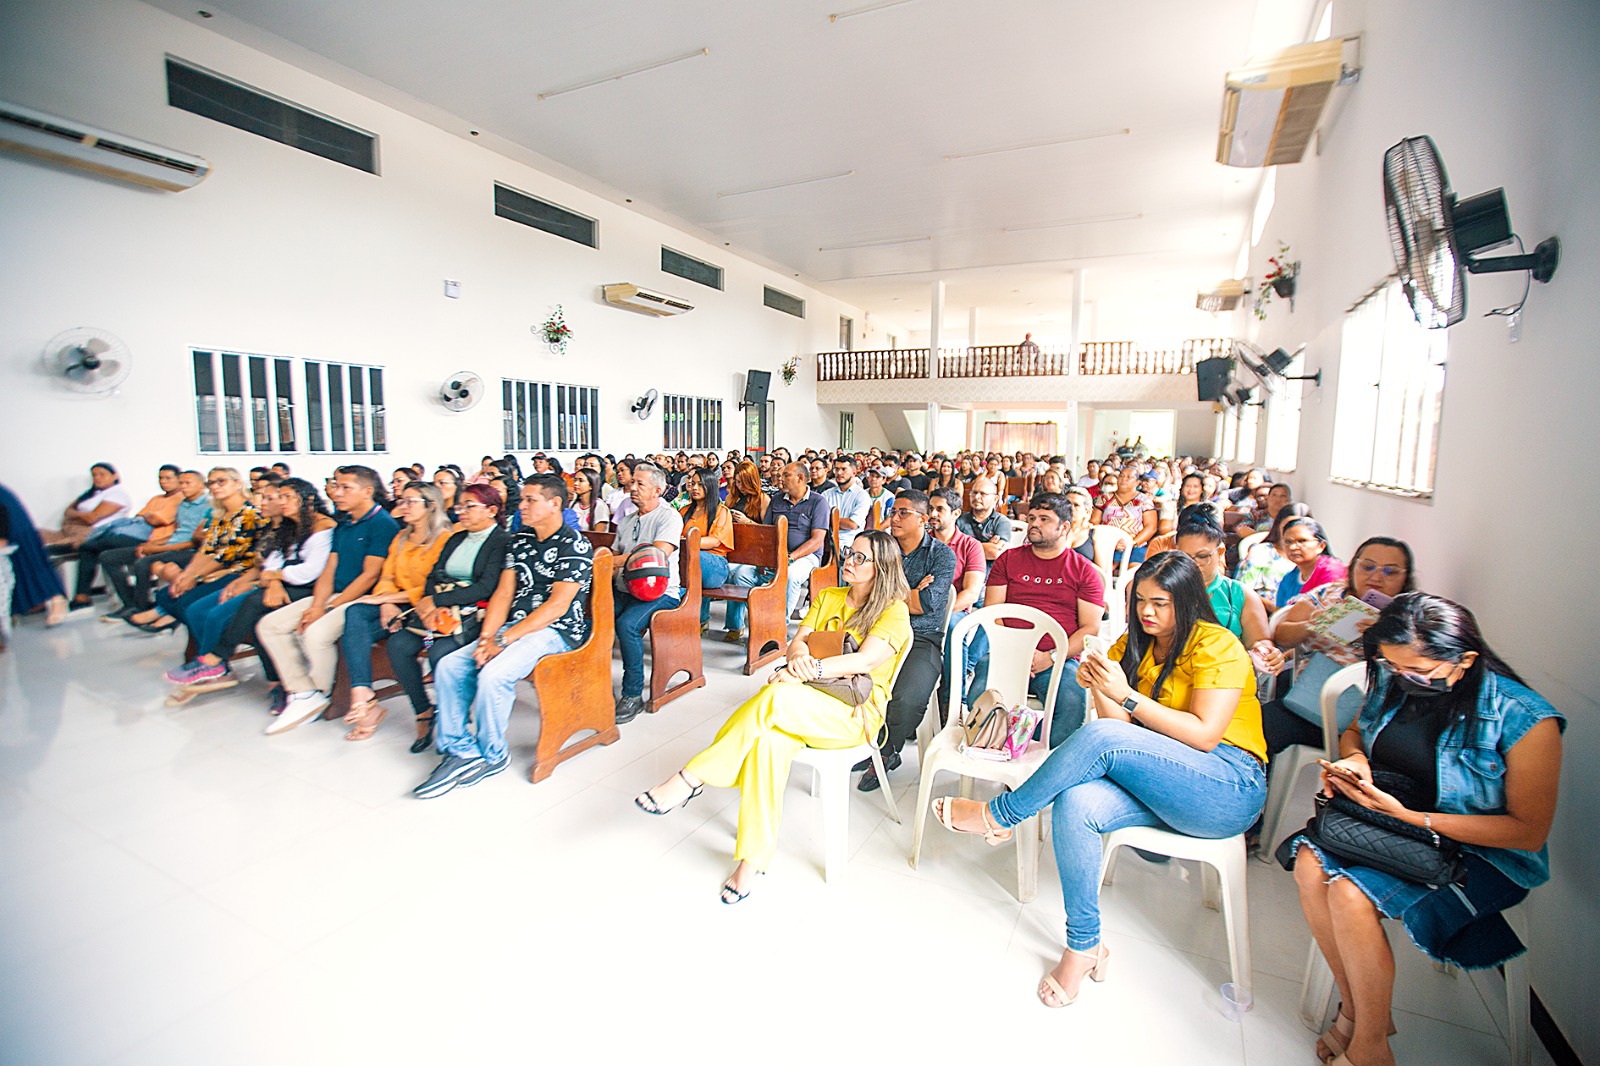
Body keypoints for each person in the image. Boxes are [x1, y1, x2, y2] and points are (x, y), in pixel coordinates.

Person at [933, 551, 1267, 1009]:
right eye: (1140, 600)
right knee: (1077, 803)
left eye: (1161, 603)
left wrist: (1125, 695)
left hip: (1227, 785)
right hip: (1162, 780)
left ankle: (999, 815)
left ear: (1187, 601)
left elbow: (1205, 736)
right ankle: (1084, 946)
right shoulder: (1134, 644)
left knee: (1100, 739)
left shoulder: (1217, 644)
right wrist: (1100, 687)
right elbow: (1120, 732)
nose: (1147, 612)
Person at [1285, 593, 1563, 1066]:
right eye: (1393, 667)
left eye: (1418, 671)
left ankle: (1370, 1045)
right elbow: (1355, 732)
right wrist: (1355, 761)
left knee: (1350, 894)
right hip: (1400, 824)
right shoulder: (1394, 679)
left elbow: (1526, 833)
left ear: (1465, 660)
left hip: (1481, 852)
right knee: (1309, 866)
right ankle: (1358, 1012)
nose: (1403, 679)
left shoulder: (1525, 718)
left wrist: (1410, 818)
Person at [634, 530, 911, 903]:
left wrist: (807, 670)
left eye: (861, 558)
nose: (849, 560)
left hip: (853, 715)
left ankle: (693, 776)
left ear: (883, 568)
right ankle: (752, 860)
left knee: (776, 695)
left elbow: (865, 660)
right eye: (850, 552)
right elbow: (798, 640)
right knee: (767, 742)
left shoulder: (893, 611)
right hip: (805, 699)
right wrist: (799, 660)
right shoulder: (830, 596)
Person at [413, 474, 594, 798]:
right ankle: (460, 749)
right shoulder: (520, 540)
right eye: (521, 499)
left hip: (558, 630)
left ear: (554, 504)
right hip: (515, 625)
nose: (520, 505)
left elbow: (557, 607)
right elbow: (504, 593)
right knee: (450, 665)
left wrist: (503, 640)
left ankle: (493, 754)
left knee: (494, 675)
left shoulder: (574, 544)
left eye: (529, 500)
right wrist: (487, 638)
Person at [163, 478, 335, 700]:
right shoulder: (290, 525)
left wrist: (273, 577)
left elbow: (310, 571)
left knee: (254, 607)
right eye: (279, 497)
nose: (281, 502)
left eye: (286, 497)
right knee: (215, 608)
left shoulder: (323, 526)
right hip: (282, 581)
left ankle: (217, 660)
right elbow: (273, 560)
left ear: (307, 499)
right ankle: (225, 668)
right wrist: (272, 580)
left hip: (311, 586)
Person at [260, 466, 400, 733]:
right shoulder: (344, 523)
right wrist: (317, 605)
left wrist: (329, 607)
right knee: (270, 625)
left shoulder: (382, 524)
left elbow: (370, 575)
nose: (337, 493)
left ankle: (320, 692)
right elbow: (330, 567)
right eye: (336, 486)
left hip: (363, 598)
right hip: (333, 593)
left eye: (346, 488)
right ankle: (303, 691)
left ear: (367, 491)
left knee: (315, 634)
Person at [965, 492, 1106, 747]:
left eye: (1044, 519)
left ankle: (1025, 748)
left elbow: (1089, 628)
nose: (1034, 524)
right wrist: (1017, 652)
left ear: (1064, 527)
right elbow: (993, 613)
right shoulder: (1008, 560)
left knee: (1072, 706)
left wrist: (1050, 656)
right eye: (1031, 518)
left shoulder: (1084, 571)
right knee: (979, 699)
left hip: (1057, 658)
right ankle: (1002, 746)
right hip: (1007, 652)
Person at [1263, 537, 1417, 763]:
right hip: (1308, 698)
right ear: (1353, 566)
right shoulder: (1331, 593)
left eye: (1390, 572)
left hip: (1364, 719)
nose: (1376, 577)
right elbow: (1282, 636)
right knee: (1255, 726)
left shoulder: (1411, 616)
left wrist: (1383, 638)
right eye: (1368, 567)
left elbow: (1414, 670)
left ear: (1405, 577)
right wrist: (1314, 624)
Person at [338, 482, 453, 742]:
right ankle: (362, 693)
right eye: (402, 501)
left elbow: (432, 585)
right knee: (355, 613)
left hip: (423, 605)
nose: (404, 507)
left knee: (396, 644)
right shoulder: (401, 537)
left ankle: (419, 710)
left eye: (411, 502)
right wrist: (386, 602)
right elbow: (387, 576)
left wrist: (389, 598)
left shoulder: (444, 538)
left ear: (430, 506)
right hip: (396, 603)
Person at [859, 490, 956, 792]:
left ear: (923, 519)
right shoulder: (882, 549)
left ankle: (887, 752)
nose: (895, 518)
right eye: (893, 512)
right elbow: (862, 591)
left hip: (922, 637)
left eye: (903, 513)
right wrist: (909, 591)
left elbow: (926, 604)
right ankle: (860, 741)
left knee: (906, 697)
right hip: (880, 630)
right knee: (851, 679)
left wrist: (889, 590)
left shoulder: (940, 555)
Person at [125, 468, 265, 634]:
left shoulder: (249, 514)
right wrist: (187, 575)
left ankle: (210, 643)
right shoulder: (221, 514)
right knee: (165, 595)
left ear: (237, 483)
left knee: (186, 603)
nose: (215, 486)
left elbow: (226, 557)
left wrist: (195, 577)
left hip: (239, 572)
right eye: (211, 482)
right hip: (217, 568)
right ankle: (199, 638)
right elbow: (206, 549)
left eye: (221, 481)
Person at [611, 463, 684, 723]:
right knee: (594, 617)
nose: (632, 488)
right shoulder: (627, 520)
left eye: (640, 484)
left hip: (659, 591)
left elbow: (655, 556)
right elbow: (614, 555)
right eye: (632, 483)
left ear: (657, 490)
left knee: (627, 625)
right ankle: (591, 683)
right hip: (625, 587)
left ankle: (632, 694)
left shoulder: (669, 517)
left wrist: (610, 562)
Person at [1172, 508, 1284, 673]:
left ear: (1220, 552)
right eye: (1185, 558)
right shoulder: (1164, 589)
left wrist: (1268, 653)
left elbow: (1259, 641)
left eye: (1202, 556)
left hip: (1223, 676)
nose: (1194, 564)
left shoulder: (1239, 594)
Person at [726, 462, 831, 632]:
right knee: (742, 575)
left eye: (786, 475)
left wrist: (790, 557)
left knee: (790, 575)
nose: (780, 479)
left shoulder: (818, 502)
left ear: (800, 478)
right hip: (776, 553)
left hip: (805, 556)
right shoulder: (777, 500)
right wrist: (763, 559)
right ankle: (743, 624)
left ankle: (779, 626)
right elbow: (767, 532)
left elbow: (817, 540)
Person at [99, 471, 211, 620]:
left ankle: (141, 607)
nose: (183, 487)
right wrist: (150, 544)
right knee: (108, 557)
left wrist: (157, 549)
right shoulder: (183, 504)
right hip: (172, 544)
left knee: (143, 563)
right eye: (181, 483)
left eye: (187, 483)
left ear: (201, 485)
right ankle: (129, 603)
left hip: (187, 549)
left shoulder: (208, 506)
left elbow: (194, 542)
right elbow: (178, 532)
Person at [69, 464, 182, 610]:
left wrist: (148, 516)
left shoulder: (179, 498)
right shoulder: (156, 498)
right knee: (95, 551)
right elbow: (140, 517)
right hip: (138, 535)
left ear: (178, 479)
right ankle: (123, 602)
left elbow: (155, 520)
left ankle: (126, 603)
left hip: (151, 539)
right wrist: (148, 516)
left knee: (94, 547)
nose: (163, 481)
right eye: (160, 478)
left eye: (167, 478)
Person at [0, 483, 71, 626]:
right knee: (10, 567)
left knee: (29, 559)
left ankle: (57, 600)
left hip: (9, 518)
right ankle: (11, 611)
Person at [679, 468, 734, 634]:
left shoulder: (721, 511)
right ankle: (696, 620)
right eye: (693, 483)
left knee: (693, 559)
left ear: (710, 486)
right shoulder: (684, 511)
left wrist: (687, 542)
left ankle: (691, 617)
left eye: (700, 485)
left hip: (715, 566)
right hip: (690, 559)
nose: (695, 488)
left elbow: (715, 540)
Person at [40, 462, 132, 551]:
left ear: (114, 476)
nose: (97, 478)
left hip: (92, 533)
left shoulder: (118, 494)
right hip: (69, 530)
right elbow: (67, 511)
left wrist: (74, 517)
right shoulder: (91, 494)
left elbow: (92, 518)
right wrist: (82, 515)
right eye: (94, 475)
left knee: (52, 547)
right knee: (35, 535)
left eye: (102, 474)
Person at [1236, 502, 1311, 604]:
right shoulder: (1261, 552)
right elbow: (1243, 590)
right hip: (1263, 608)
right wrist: (1273, 608)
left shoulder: (1316, 559)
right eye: (1287, 526)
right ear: (1278, 526)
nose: (1293, 532)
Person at [1092, 463, 1158, 564]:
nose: (1124, 479)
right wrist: (1109, 540)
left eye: (1129, 477)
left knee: (1134, 569)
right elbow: (1094, 522)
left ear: (1137, 483)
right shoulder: (1104, 498)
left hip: (1135, 546)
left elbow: (1151, 527)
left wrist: (1131, 543)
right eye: (1121, 476)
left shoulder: (1144, 500)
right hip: (1107, 543)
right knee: (1104, 567)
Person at [1275, 516, 1346, 608]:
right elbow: (1279, 613)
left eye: (1301, 541)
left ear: (1321, 546)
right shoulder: (1289, 578)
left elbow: (1328, 612)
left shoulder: (1332, 572)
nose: (1292, 547)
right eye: (1288, 542)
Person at [956, 478, 1012, 563]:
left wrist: (965, 548)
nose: (977, 497)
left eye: (983, 494)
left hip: (991, 570)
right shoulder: (959, 520)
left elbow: (995, 552)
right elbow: (954, 550)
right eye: (974, 493)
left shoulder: (1002, 522)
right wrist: (988, 545)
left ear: (995, 499)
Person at [821, 455, 870, 549]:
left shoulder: (862, 495)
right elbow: (818, 520)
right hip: (826, 540)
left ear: (854, 472)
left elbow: (852, 524)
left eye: (844, 469)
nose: (839, 473)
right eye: (836, 469)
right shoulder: (826, 494)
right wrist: (841, 523)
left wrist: (829, 521)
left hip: (851, 543)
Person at [725, 460, 768, 526]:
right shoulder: (731, 497)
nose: (741, 486)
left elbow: (767, 529)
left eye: (745, 483)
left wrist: (747, 522)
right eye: (738, 482)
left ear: (752, 481)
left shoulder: (763, 499)